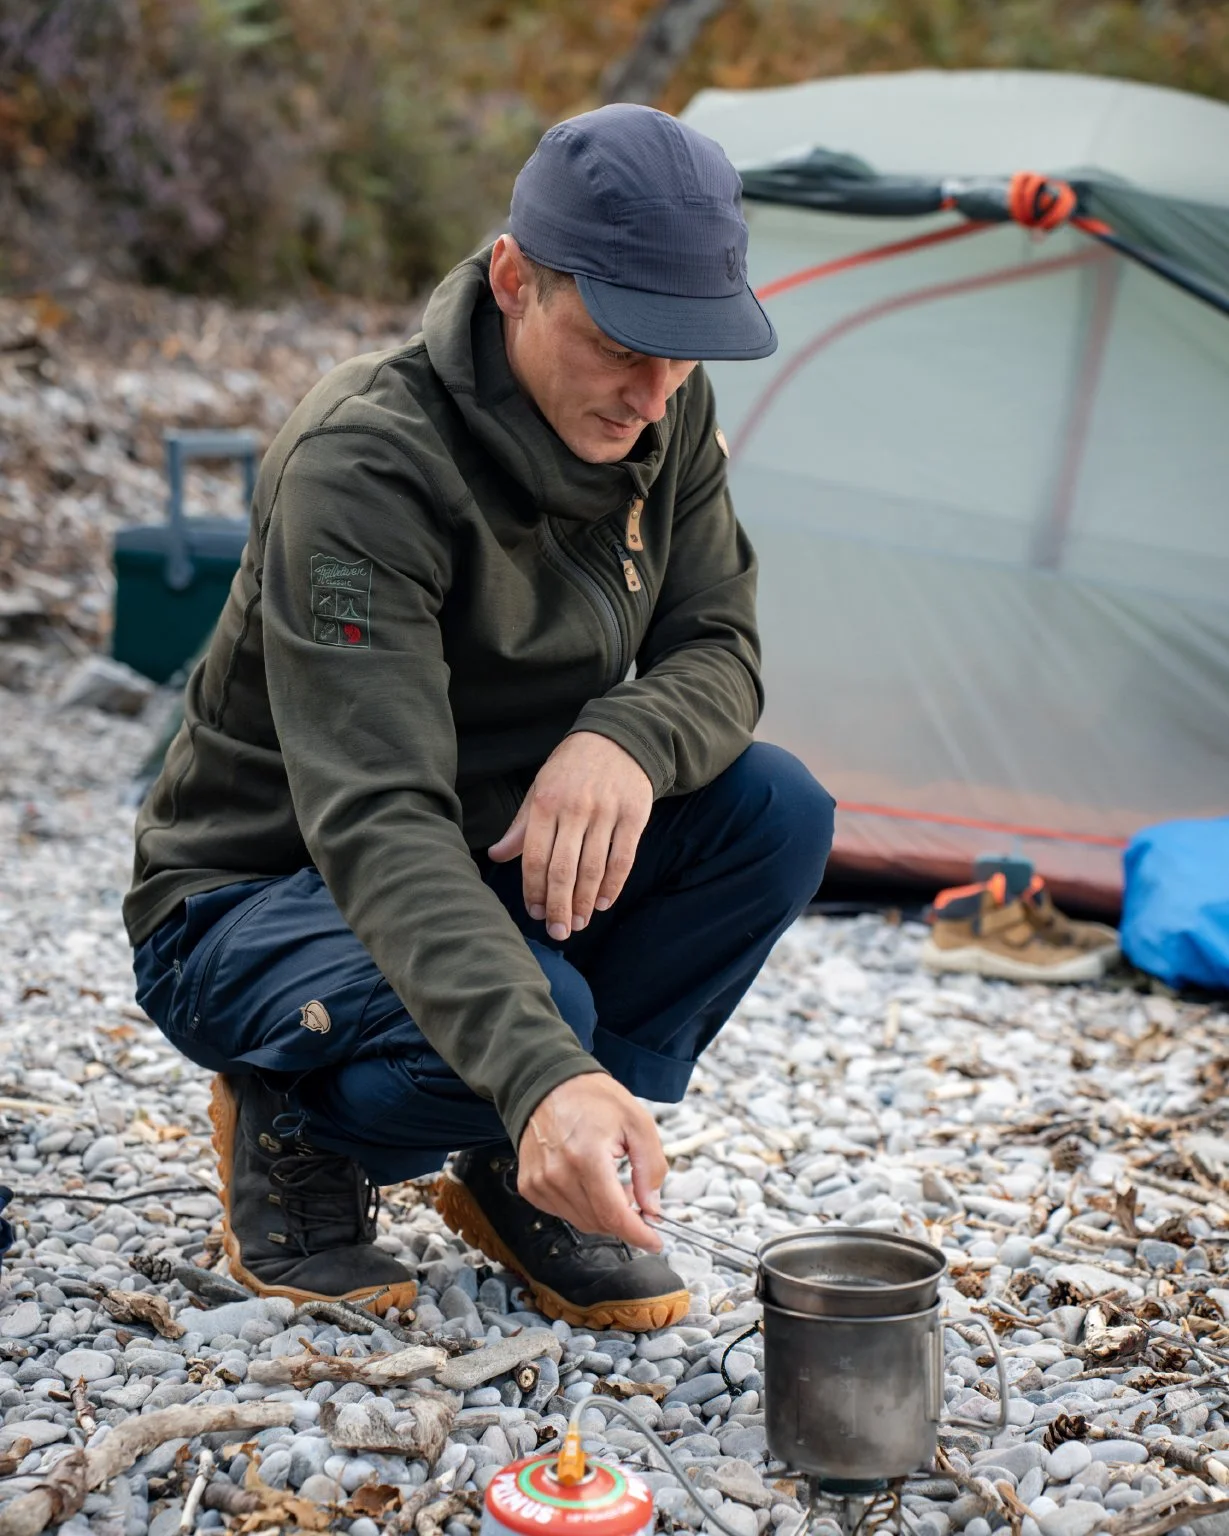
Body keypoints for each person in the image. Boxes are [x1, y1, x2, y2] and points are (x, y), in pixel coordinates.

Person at [124, 103, 835, 1333]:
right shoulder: (367, 463)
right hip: (257, 896)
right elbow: (380, 819)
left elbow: (718, 646)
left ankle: (520, 1168)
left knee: (769, 813)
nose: (656, 393)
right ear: (514, 280)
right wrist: (543, 1069)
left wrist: (625, 736)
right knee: (539, 1020)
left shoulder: (663, 410)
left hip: (483, 846)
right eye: (625, 340)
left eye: (688, 351)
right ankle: (297, 1123)